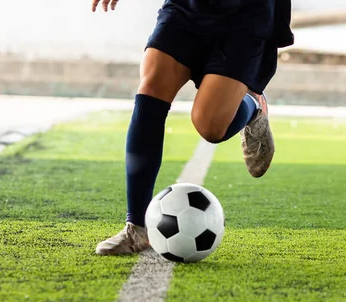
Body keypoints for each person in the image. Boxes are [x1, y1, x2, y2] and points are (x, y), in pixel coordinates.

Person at [93, 0, 293, 255]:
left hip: (244, 16)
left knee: (210, 127)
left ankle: (253, 105)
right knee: (151, 87)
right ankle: (137, 226)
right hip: (187, 8)